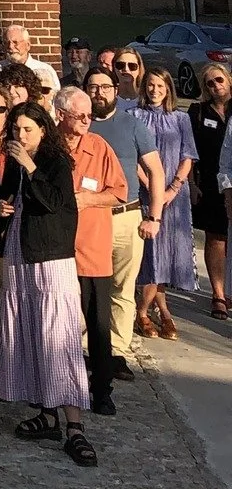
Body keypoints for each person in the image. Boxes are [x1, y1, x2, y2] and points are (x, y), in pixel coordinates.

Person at [0, 101, 96, 466]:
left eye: (28, 130)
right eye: (16, 130)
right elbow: (8, 201)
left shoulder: (54, 163)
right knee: (29, 332)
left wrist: (29, 165)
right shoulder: (14, 165)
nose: (20, 137)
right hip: (21, 253)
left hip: (51, 260)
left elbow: (53, 202)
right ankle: (46, 412)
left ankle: (74, 426)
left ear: (42, 131)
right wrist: (2, 208)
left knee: (57, 337)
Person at [85, 64, 164, 379]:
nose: (99, 93)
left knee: (122, 287)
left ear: (116, 90)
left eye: (105, 87)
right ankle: (88, 349)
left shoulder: (132, 126)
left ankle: (117, 352)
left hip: (126, 216)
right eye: (93, 87)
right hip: (89, 218)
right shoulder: (78, 125)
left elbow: (156, 172)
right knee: (88, 287)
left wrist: (154, 216)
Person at [53, 87, 126, 415]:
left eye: (89, 116)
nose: (86, 121)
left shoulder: (99, 147)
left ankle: (102, 389)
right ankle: (58, 386)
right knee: (58, 325)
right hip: (57, 252)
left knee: (97, 327)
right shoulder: (48, 146)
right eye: (79, 116)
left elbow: (119, 192)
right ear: (61, 115)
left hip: (93, 252)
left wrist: (89, 199)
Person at [134, 68, 197, 338]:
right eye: (150, 85)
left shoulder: (180, 118)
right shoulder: (134, 116)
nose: (154, 90)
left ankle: (156, 308)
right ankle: (147, 311)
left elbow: (188, 155)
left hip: (175, 196)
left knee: (168, 255)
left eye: (160, 85)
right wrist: (152, 185)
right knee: (150, 254)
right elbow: (132, 155)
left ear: (168, 88)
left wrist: (172, 188)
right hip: (145, 192)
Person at [189, 61, 231, 318]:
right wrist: (192, 184)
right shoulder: (198, 112)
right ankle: (218, 293)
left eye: (219, 80)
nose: (215, 86)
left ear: (228, 79)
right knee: (216, 237)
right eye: (209, 83)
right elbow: (190, 152)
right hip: (210, 184)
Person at [0, 24, 61, 97]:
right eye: (6, 43)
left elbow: (54, 99)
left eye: (15, 43)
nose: (10, 46)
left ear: (28, 45)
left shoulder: (45, 69)